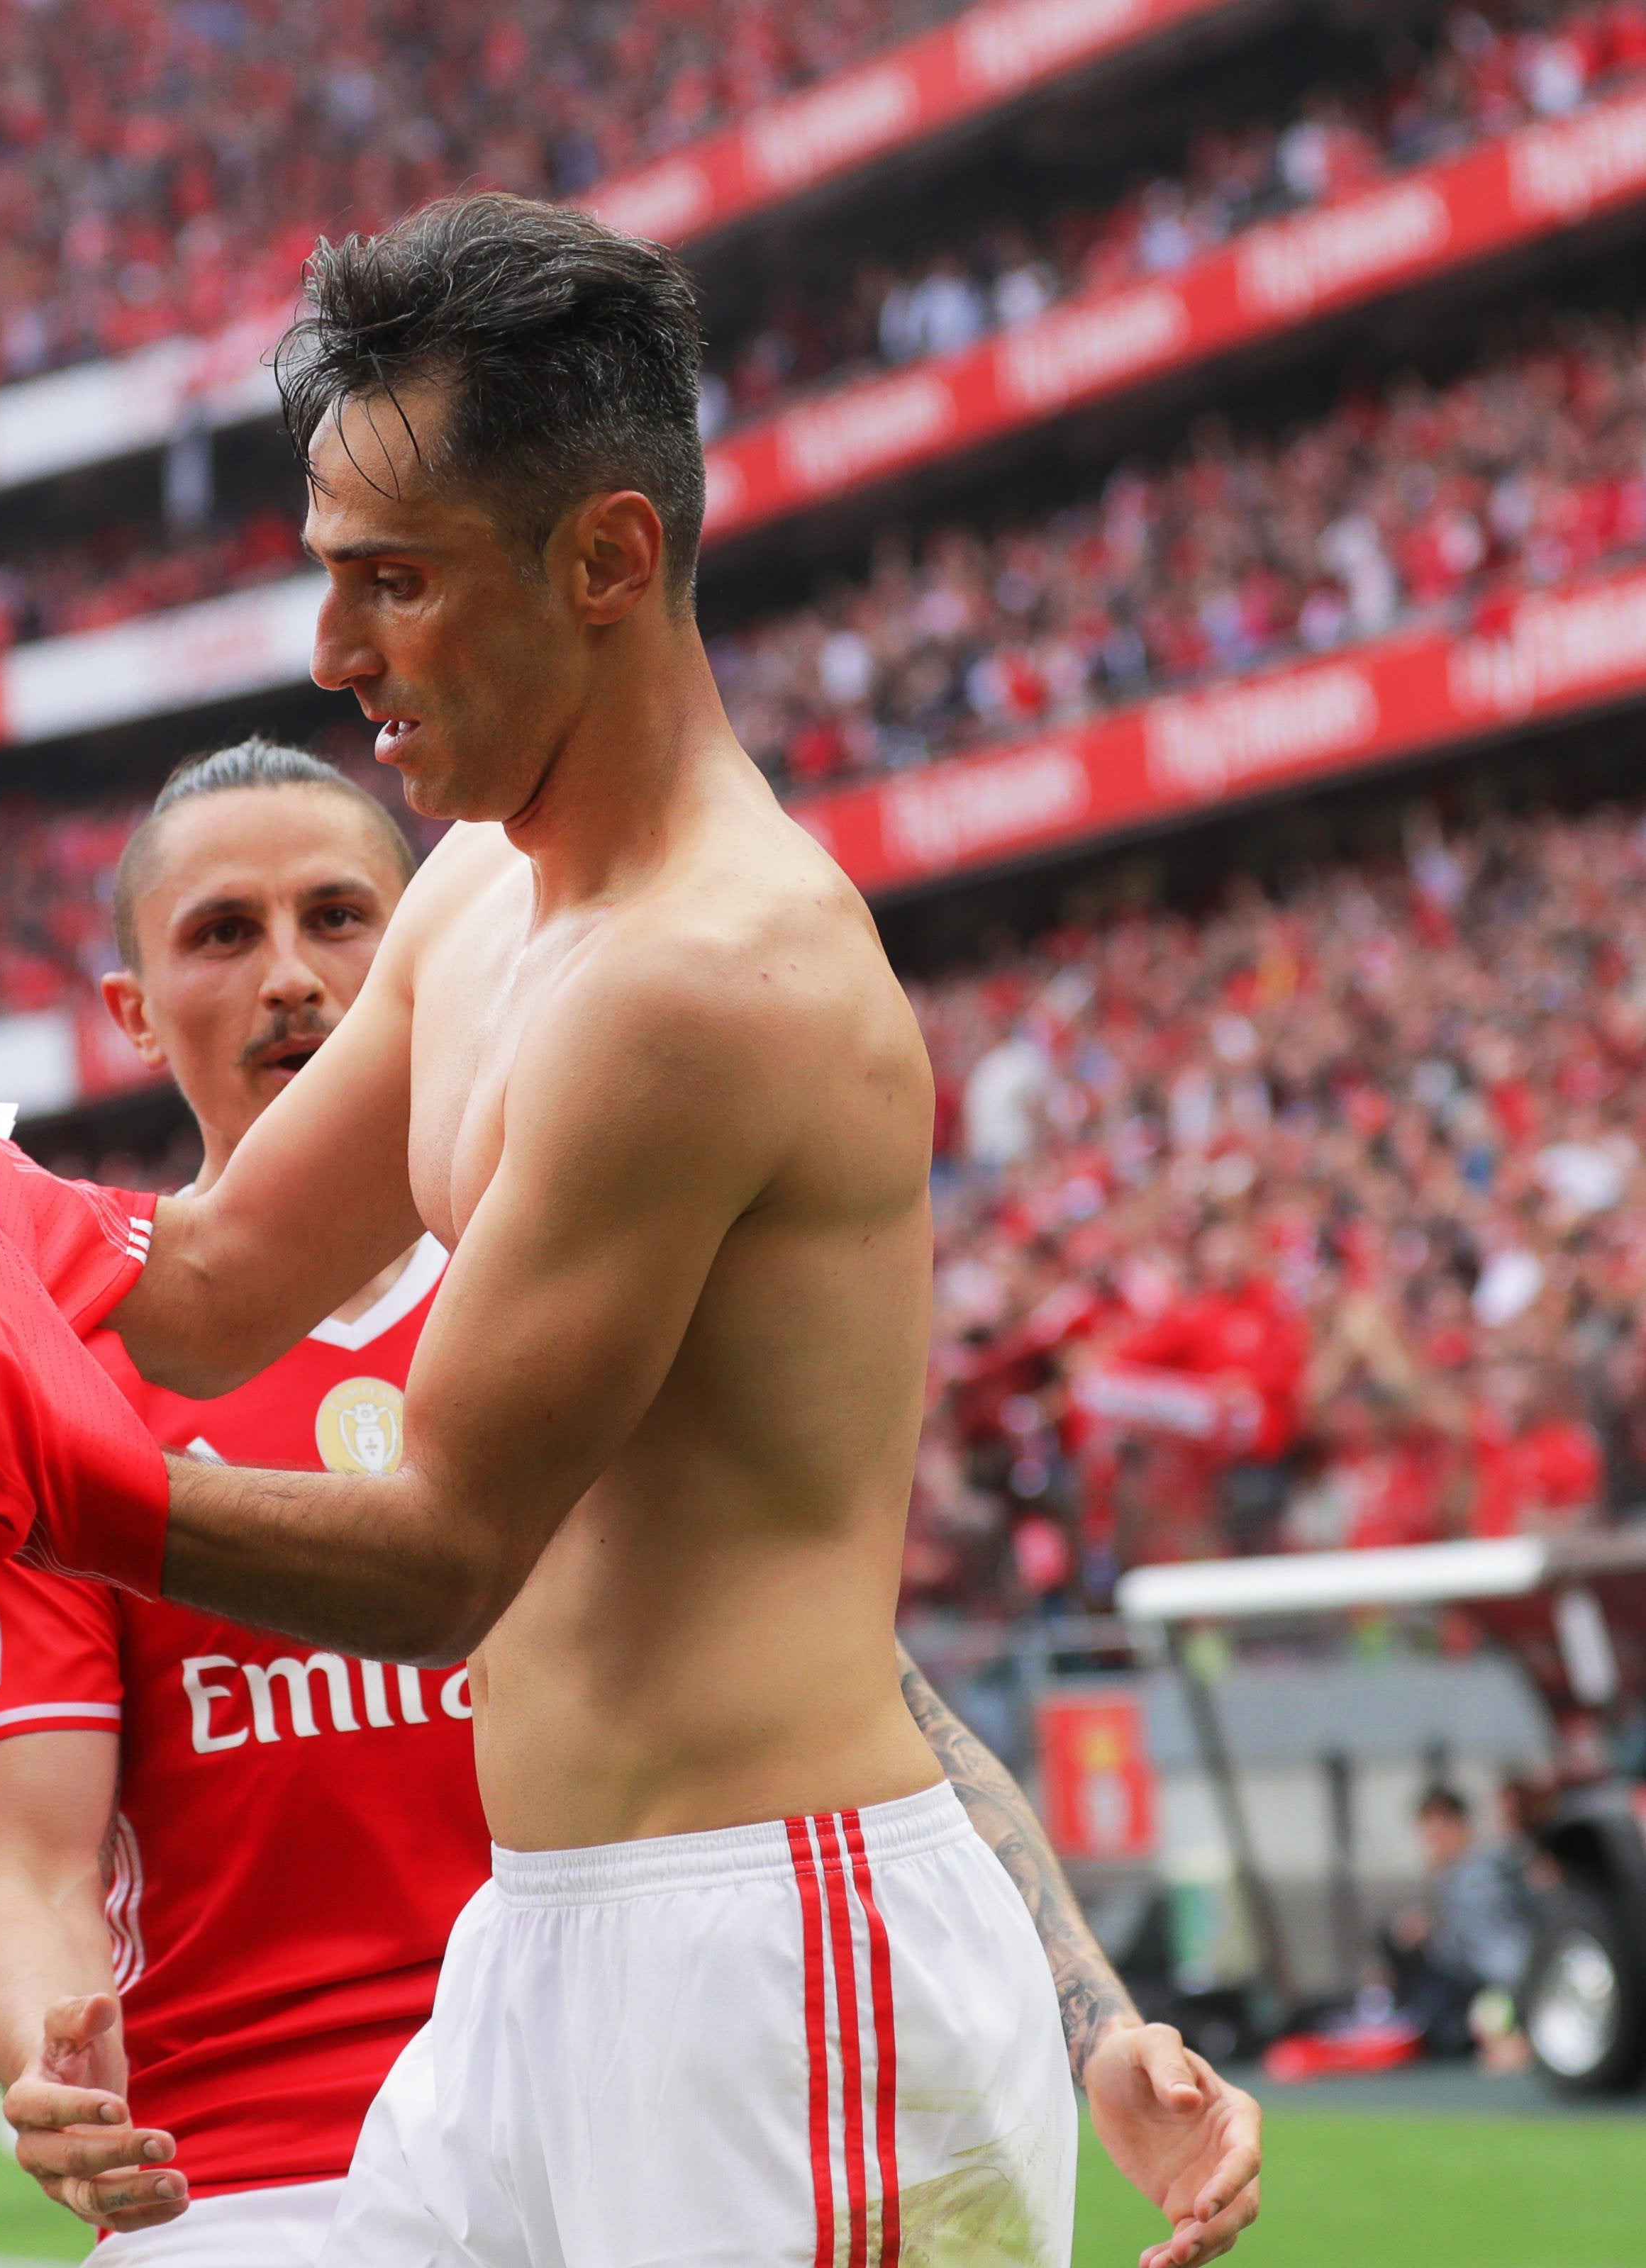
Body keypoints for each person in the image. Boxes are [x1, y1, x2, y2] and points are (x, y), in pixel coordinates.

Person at [100, 196, 1262, 2268]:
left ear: (608, 559)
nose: (330, 654)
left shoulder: (704, 976)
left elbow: (448, 1547)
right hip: (536, 1946)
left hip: (777, 1964)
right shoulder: (470, 889)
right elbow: (196, 1296)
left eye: (395, 584)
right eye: (328, 581)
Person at [0, 739, 492, 2266]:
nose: (291, 979)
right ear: (129, 1014)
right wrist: (43, 2054)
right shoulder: (52, 1374)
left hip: (588, 2129)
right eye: (221, 933)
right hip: (248, 2179)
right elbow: (32, 1865)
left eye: (338, 920)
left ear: (424, 965)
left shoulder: (565, 1298)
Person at [1381, 1784, 1535, 2062]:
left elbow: (1508, 1960)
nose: (1431, 1842)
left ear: (1461, 1827)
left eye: (1438, 1833)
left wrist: (1518, 2032)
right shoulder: (1456, 1879)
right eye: (1426, 1834)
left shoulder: (1476, 1882)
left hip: (1501, 1999)